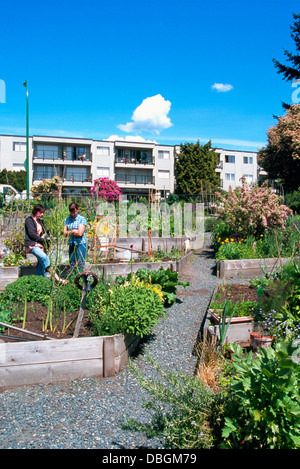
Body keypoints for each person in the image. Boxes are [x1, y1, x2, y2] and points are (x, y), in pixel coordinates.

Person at [25, 204, 68, 283]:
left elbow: (45, 233)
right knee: (44, 258)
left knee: (41, 265)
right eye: (41, 213)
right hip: (33, 245)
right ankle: (57, 278)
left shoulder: (41, 221)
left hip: (41, 245)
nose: (42, 214)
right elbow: (32, 234)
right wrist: (42, 240)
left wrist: (48, 240)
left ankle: (41, 282)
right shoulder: (29, 220)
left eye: (43, 213)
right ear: (36, 212)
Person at [63, 202, 87, 270]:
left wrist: (69, 232)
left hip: (80, 243)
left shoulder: (82, 219)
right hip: (72, 243)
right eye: (71, 212)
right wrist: (73, 231)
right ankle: (73, 278)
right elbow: (64, 232)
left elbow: (80, 233)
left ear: (77, 210)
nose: (73, 214)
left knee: (80, 264)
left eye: (74, 212)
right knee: (72, 264)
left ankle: (80, 279)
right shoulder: (67, 219)